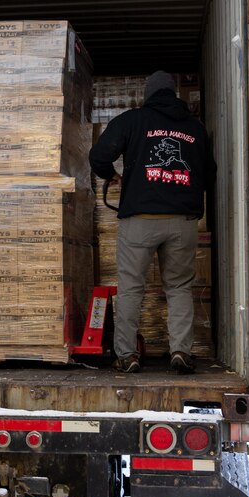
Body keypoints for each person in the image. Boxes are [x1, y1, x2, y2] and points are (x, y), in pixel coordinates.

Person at [89, 70, 216, 374]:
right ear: (174, 95)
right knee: (179, 288)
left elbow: (98, 156)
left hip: (141, 221)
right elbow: (209, 175)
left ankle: (128, 355)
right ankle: (181, 352)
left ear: (149, 95)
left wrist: (113, 176)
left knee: (132, 288)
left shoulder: (133, 120)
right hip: (182, 222)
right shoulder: (196, 129)